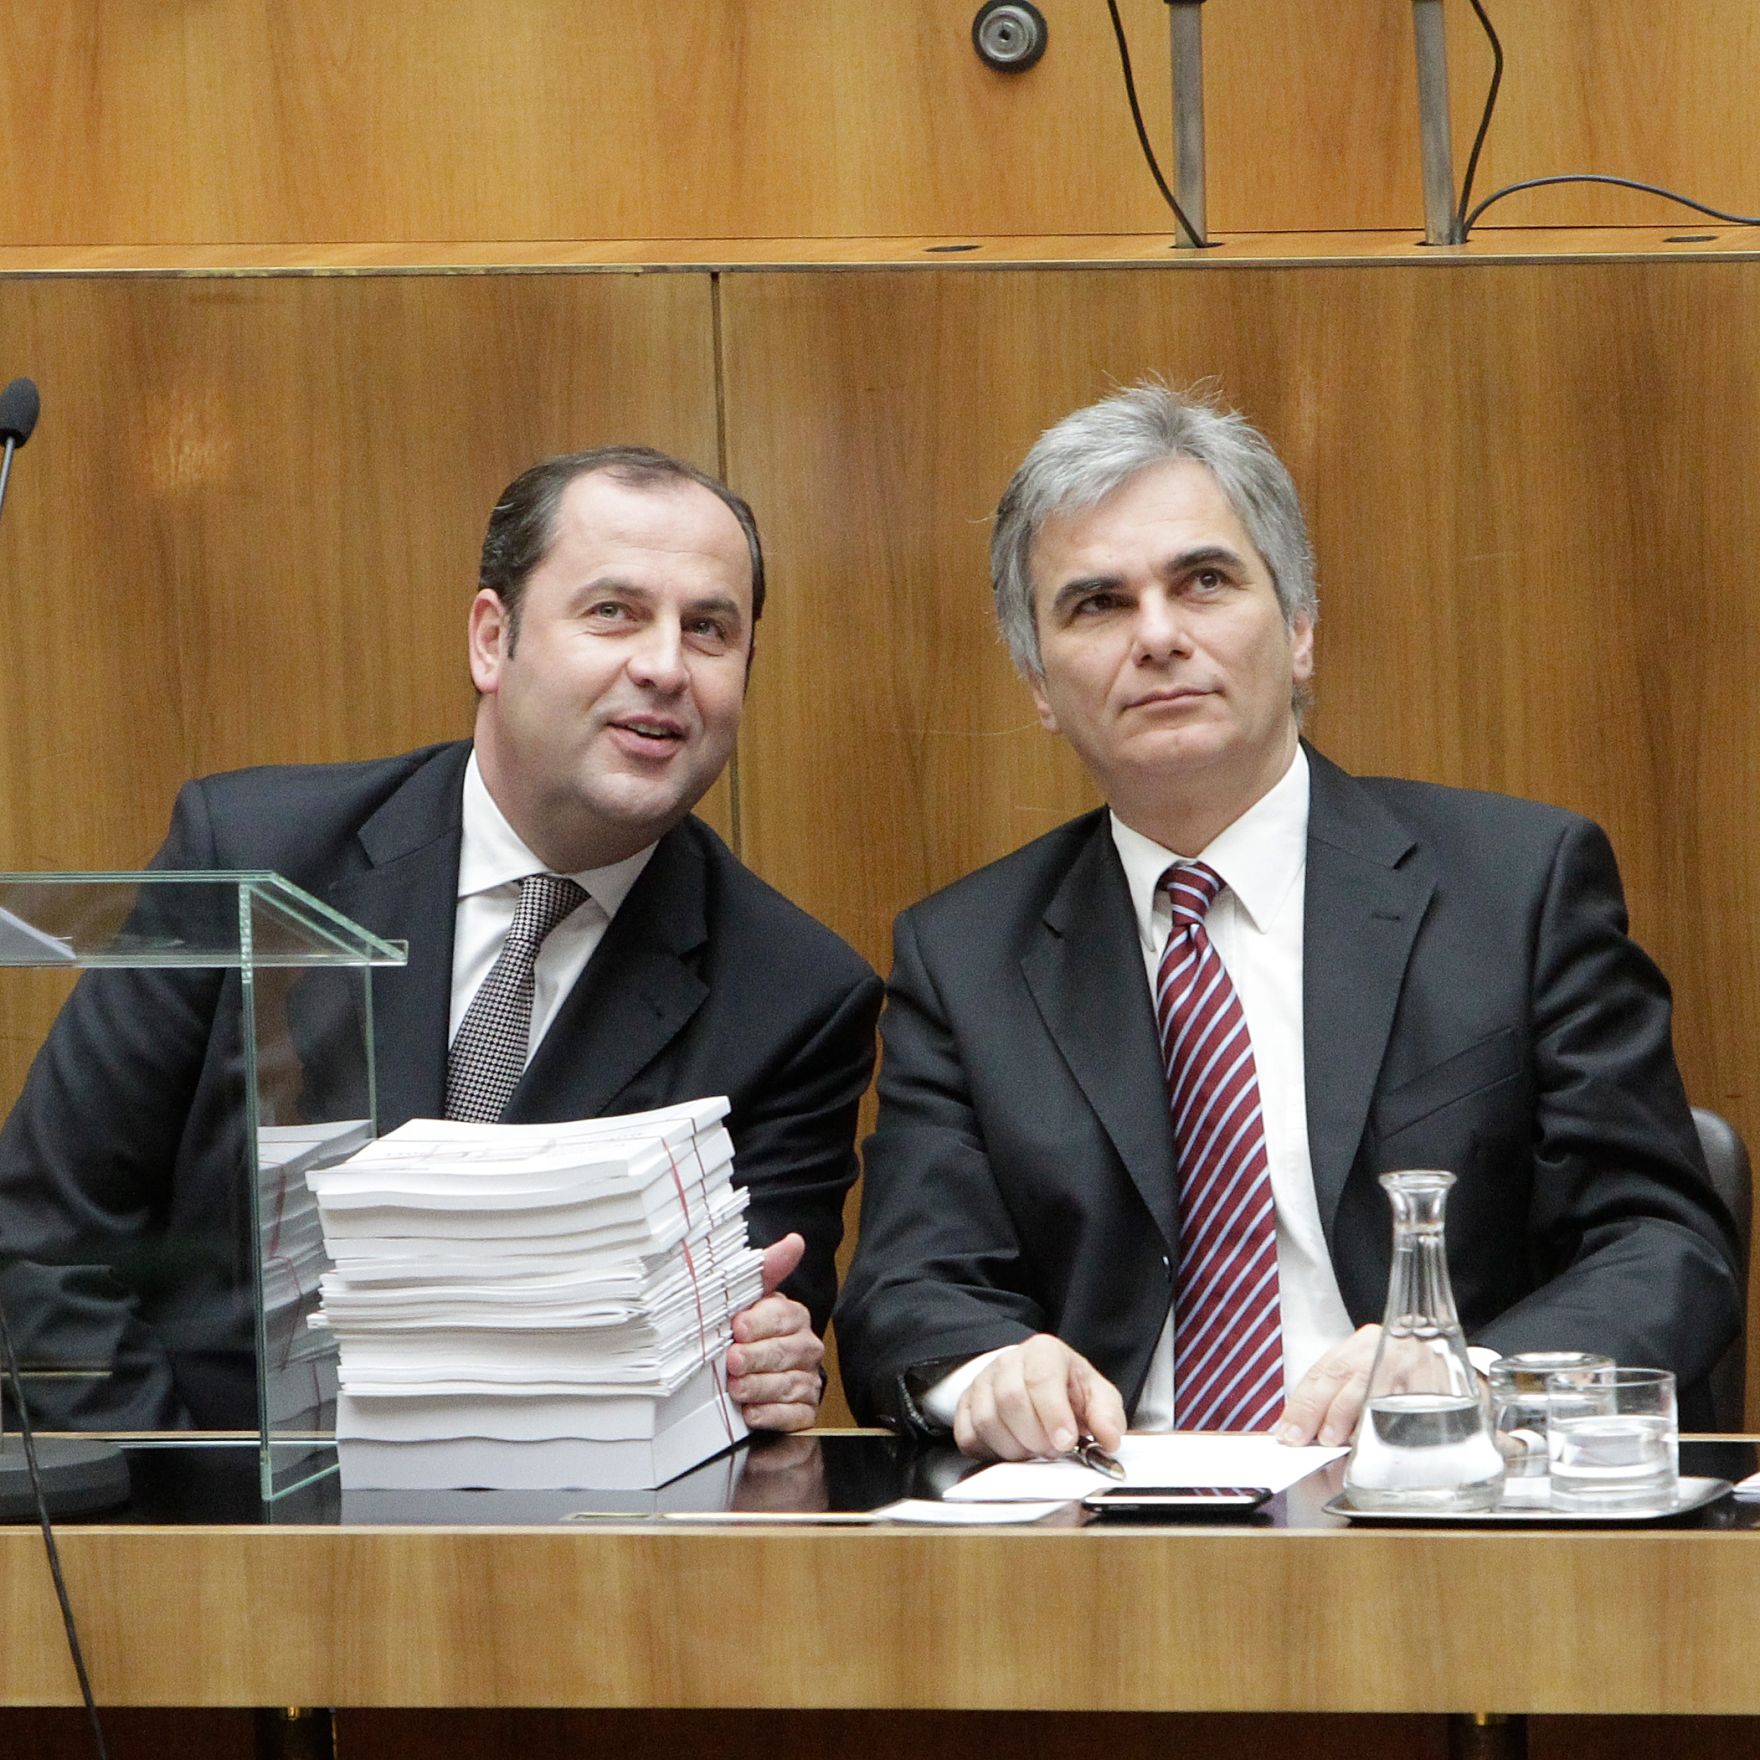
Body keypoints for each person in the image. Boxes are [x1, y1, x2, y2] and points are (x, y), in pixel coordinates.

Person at [834, 384, 1740, 1460]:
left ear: (1299, 626)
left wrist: (1466, 1376)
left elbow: (1659, 1244)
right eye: (1095, 603)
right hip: (1105, 1525)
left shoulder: (1516, 887)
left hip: (1438, 1504)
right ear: (1037, 679)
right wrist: (990, 1372)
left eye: (1203, 581)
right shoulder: (965, 953)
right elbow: (904, 1286)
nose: (1158, 636)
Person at [0, 446, 881, 1433]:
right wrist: (181, 1513)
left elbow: (745, 1338)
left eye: (709, 629)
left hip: (566, 1552)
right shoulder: (256, 857)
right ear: (490, 639)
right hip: (196, 1527)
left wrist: (767, 1359)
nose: (664, 666)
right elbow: (44, 1232)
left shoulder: (796, 997)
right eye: (613, 612)